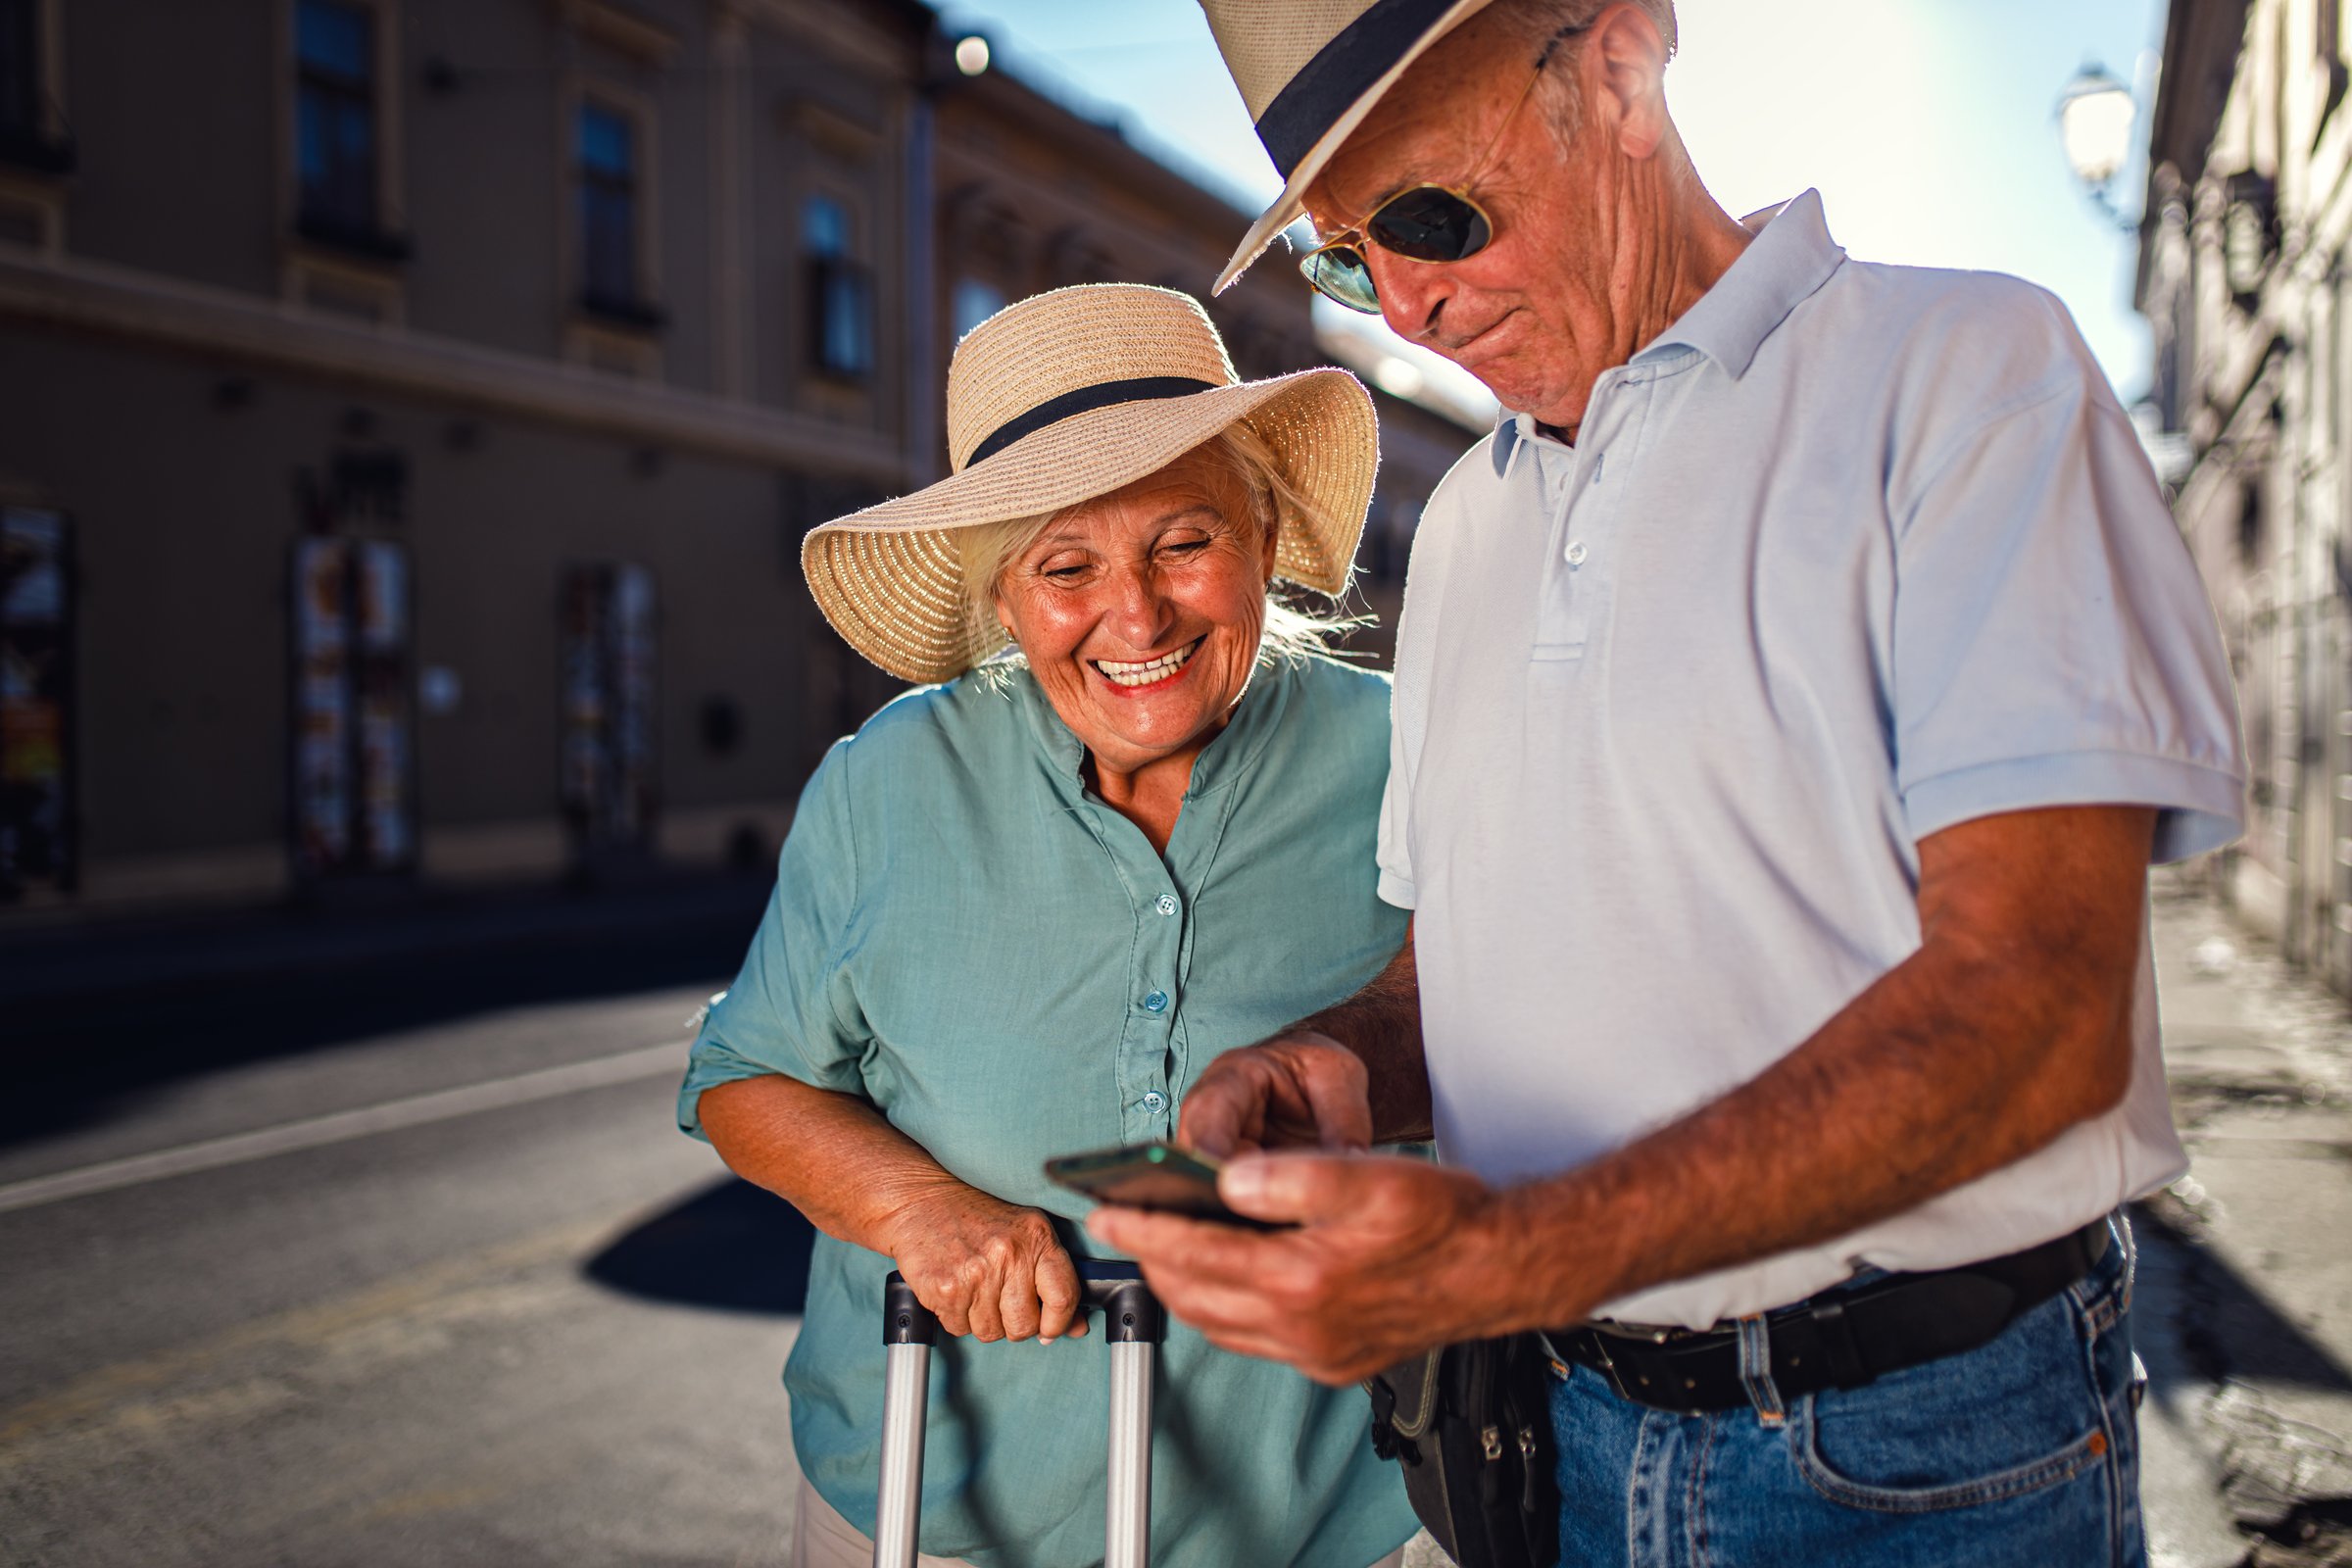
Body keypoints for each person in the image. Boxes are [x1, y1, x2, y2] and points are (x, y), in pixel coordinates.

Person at [1092, 4, 2248, 1565]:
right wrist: (1345, 1062)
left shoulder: (1971, 372)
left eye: (1434, 215)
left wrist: (1507, 1254)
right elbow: (1463, 960)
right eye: (1348, 259)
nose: (1409, 306)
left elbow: (2039, 1013)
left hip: (1915, 1453)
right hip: (1556, 1433)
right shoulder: (1469, 527)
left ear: (1624, 68)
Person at [674, 282, 1420, 1568]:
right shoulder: (890, 780)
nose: (1136, 619)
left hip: (1331, 1522)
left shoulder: (1408, 752)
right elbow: (743, 1078)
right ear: (1004, 599)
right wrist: (918, 1211)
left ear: (1260, 530)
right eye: (1067, 567)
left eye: (1185, 542)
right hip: (930, 1508)